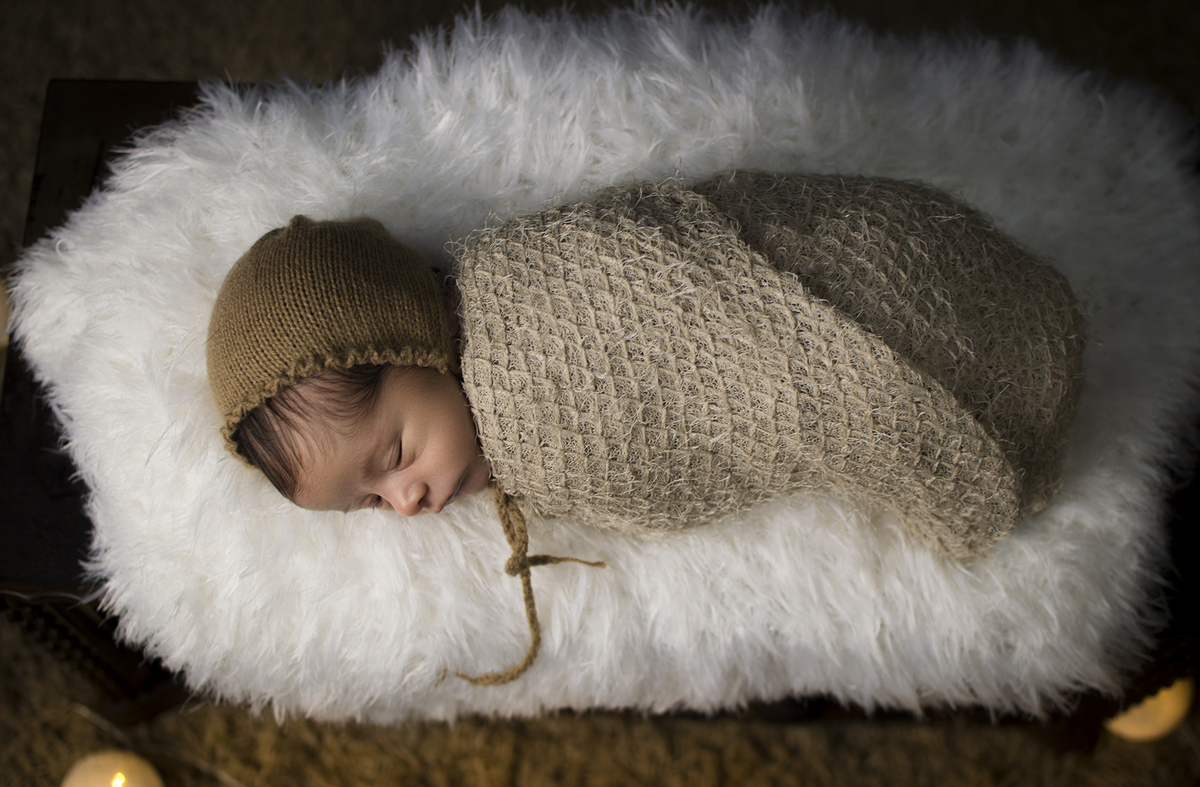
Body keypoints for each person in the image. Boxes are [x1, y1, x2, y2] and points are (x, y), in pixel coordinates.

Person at [207, 171, 1085, 684]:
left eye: (392, 456)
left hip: (874, 304)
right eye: (369, 503)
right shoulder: (496, 437)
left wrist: (942, 477)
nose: (407, 500)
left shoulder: (537, 305)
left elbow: (730, 328)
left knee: (867, 307)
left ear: (411, 333)